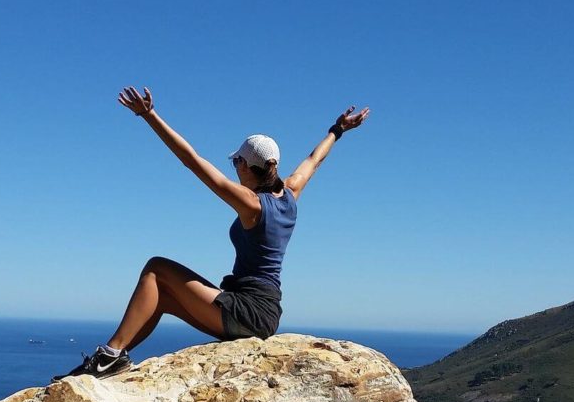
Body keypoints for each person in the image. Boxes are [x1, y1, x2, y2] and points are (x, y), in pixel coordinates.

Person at [54, 86, 370, 381]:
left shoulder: (252, 204)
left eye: (236, 161)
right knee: (160, 297)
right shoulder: (290, 192)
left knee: (156, 267)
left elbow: (192, 160)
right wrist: (338, 129)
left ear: (248, 166)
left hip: (248, 311)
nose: (234, 167)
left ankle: (107, 356)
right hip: (263, 312)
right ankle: (116, 358)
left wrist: (150, 116)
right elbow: (314, 160)